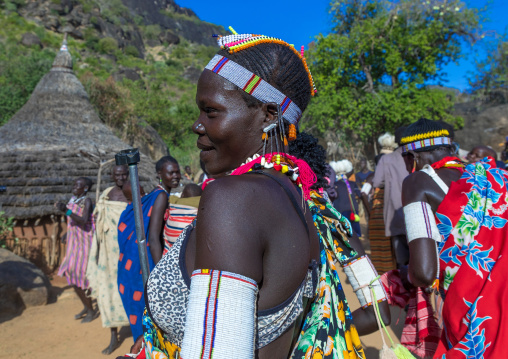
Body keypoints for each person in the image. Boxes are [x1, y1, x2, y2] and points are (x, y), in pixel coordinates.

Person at [137, 32, 389, 359]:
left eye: (210, 111)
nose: (197, 126)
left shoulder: (234, 199)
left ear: (269, 115)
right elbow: (380, 306)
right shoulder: (309, 200)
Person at [399, 118, 508, 357]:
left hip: (472, 310)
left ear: (412, 158)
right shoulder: (495, 178)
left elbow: (424, 273)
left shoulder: (416, 182)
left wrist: (398, 279)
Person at [117, 157, 179, 342]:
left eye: (176, 172)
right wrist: (161, 272)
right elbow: (153, 236)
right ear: (160, 175)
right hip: (153, 260)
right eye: (171, 172)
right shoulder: (161, 196)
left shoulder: (159, 194)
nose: (175, 176)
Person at [86, 164, 130, 355]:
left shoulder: (134, 192)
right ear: (112, 176)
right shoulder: (106, 195)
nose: (120, 177)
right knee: (108, 290)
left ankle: (142, 335)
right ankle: (114, 336)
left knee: (133, 288)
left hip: (129, 249)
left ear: (128, 174)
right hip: (109, 252)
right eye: (117, 174)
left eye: (123, 174)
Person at [55, 177, 96, 323]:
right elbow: (73, 219)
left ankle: (91, 310)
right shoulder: (73, 199)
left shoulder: (87, 201)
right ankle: (86, 306)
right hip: (74, 242)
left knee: (81, 277)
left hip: (84, 243)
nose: (74, 187)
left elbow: (84, 220)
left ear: (85, 188)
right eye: (74, 184)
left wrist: (65, 210)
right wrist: (68, 231)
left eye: (77, 185)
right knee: (71, 275)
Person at [372, 128, 409, 269]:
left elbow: (377, 182)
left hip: (396, 214)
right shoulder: (419, 155)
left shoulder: (386, 159)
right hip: (419, 213)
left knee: (401, 258)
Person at [162, 182, 200, 253]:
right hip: (187, 253)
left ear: (182, 195)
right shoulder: (198, 210)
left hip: (169, 254)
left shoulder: (173, 206)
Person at [330, 159, 362, 236]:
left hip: (340, 211)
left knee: (344, 233)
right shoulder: (353, 183)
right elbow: (360, 195)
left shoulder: (334, 184)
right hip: (354, 211)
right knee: (355, 233)